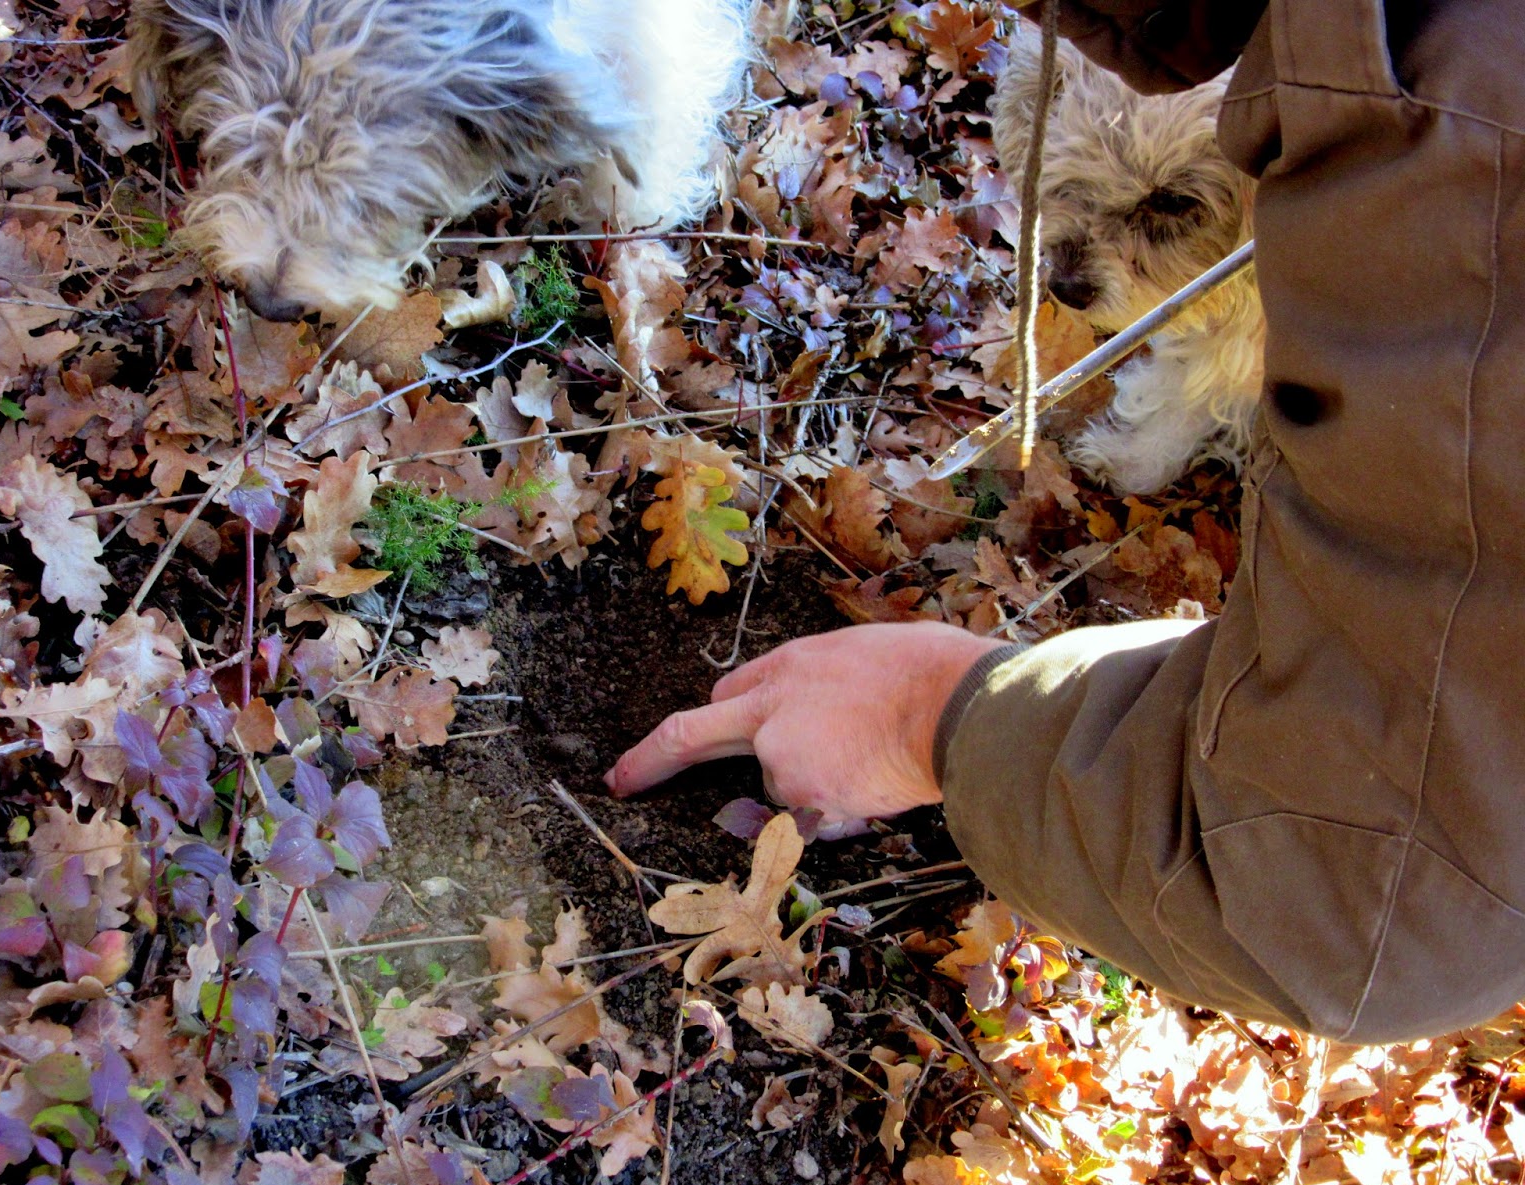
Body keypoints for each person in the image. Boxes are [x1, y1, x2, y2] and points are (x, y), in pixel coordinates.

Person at [608, 0, 1525, 1045]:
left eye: (1168, 213)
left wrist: (935, 713)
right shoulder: (1434, 115)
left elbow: (1374, 901)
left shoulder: (1471, 266)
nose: (1079, 270)